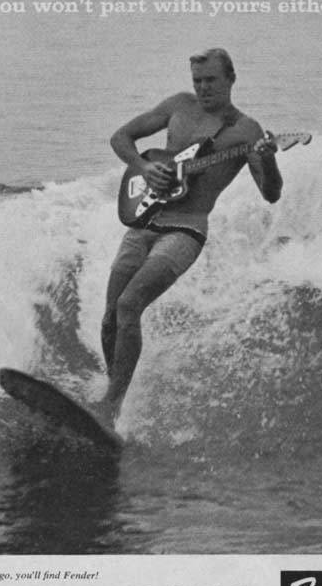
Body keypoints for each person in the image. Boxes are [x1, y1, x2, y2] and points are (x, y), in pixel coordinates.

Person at [95, 48, 283, 426]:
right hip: (145, 221)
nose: (203, 88)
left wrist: (269, 158)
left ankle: (110, 408)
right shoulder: (179, 106)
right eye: (197, 80)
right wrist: (144, 167)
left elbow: (271, 193)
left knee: (131, 305)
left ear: (231, 79)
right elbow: (121, 137)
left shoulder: (246, 131)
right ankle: (111, 393)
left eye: (211, 80)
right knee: (110, 318)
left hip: (186, 229)